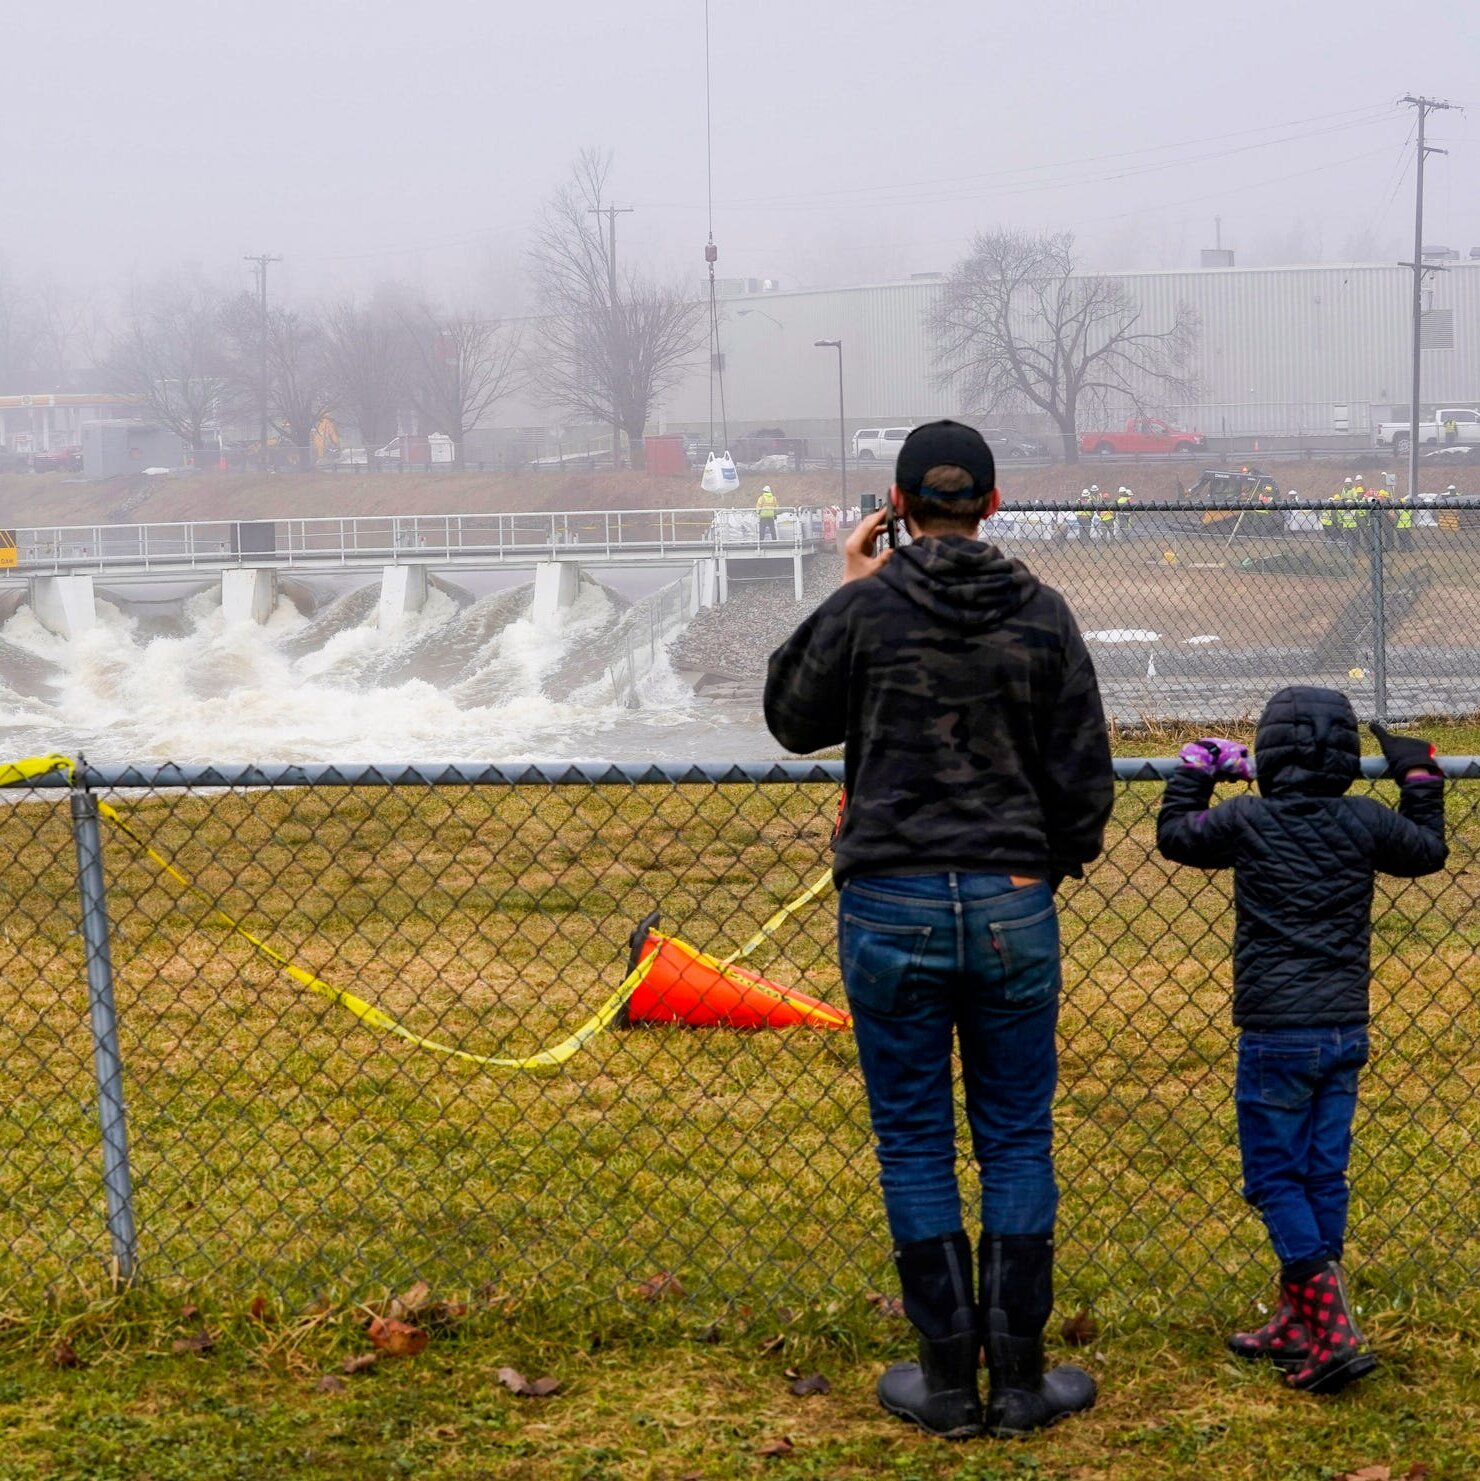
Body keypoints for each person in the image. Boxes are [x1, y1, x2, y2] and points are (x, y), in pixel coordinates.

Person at [764, 421, 1115, 1439]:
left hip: (889, 902)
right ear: (994, 503)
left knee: (913, 1141)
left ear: (896, 504)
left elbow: (791, 715)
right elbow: (1083, 773)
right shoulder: (1043, 613)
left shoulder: (869, 607)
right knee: (1014, 1134)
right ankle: (1018, 1381)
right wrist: (1044, 863)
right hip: (1010, 898)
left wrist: (848, 579)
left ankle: (944, 1383)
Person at [1156, 690, 1447, 1395]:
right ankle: (1301, 1320)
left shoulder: (1249, 818)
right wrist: (1420, 778)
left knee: (1274, 1179)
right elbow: (1427, 851)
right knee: (1321, 1174)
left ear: (1268, 753)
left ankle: (1334, 1331)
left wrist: (1197, 767)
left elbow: (1176, 835)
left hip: (1275, 1033)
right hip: (1344, 1026)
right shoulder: (1363, 820)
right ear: (1349, 756)